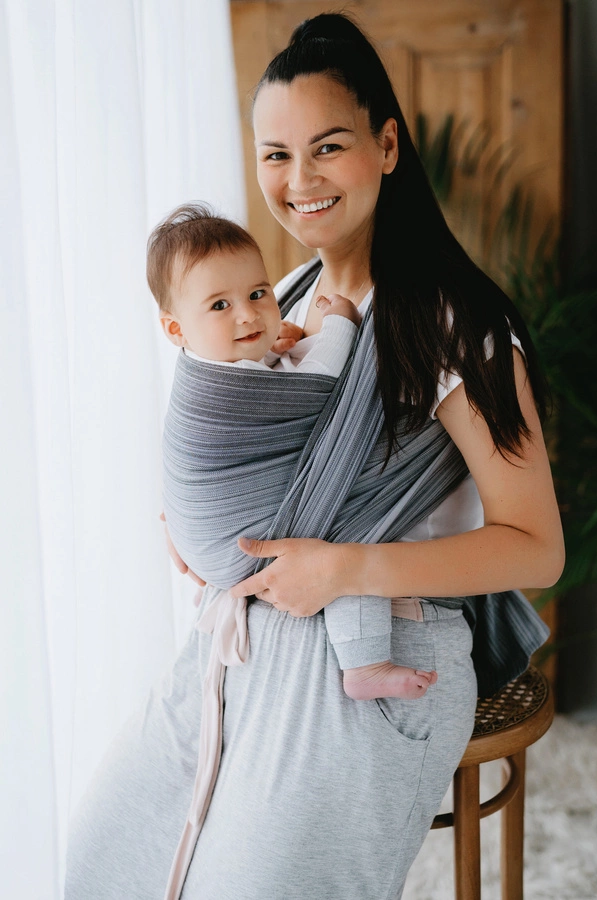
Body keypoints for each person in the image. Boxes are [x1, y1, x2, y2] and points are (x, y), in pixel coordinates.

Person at [65, 12, 564, 900]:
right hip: (249, 635)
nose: (299, 181)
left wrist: (346, 568)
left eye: (327, 147)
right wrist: (197, 516)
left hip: (385, 647)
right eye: (276, 155)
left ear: (386, 146)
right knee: (108, 853)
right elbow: (241, 444)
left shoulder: (455, 326)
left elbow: (538, 548)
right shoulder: (281, 297)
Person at [150, 202, 437, 701]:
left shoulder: (219, 355)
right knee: (346, 521)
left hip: (205, 546)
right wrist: (342, 323)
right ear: (176, 330)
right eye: (220, 306)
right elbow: (319, 384)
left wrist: (267, 349)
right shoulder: (219, 387)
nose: (248, 314)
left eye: (257, 294)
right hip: (235, 537)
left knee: (333, 527)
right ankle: (365, 663)